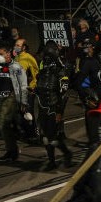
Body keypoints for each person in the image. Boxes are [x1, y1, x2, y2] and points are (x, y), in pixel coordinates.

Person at [0, 45, 28, 162]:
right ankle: (12, 149)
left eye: (2, 53)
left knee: (3, 124)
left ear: (9, 54)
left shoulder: (17, 67)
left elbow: (23, 85)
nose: (0, 56)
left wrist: (24, 101)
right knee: (4, 126)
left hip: (11, 97)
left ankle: (12, 151)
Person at [35, 41, 73, 170]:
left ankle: (67, 154)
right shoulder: (42, 71)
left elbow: (64, 95)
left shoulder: (61, 71)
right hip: (42, 106)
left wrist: (59, 112)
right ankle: (51, 161)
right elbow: (39, 88)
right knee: (45, 137)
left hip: (53, 106)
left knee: (53, 138)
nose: (45, 59)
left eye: (48, 56)